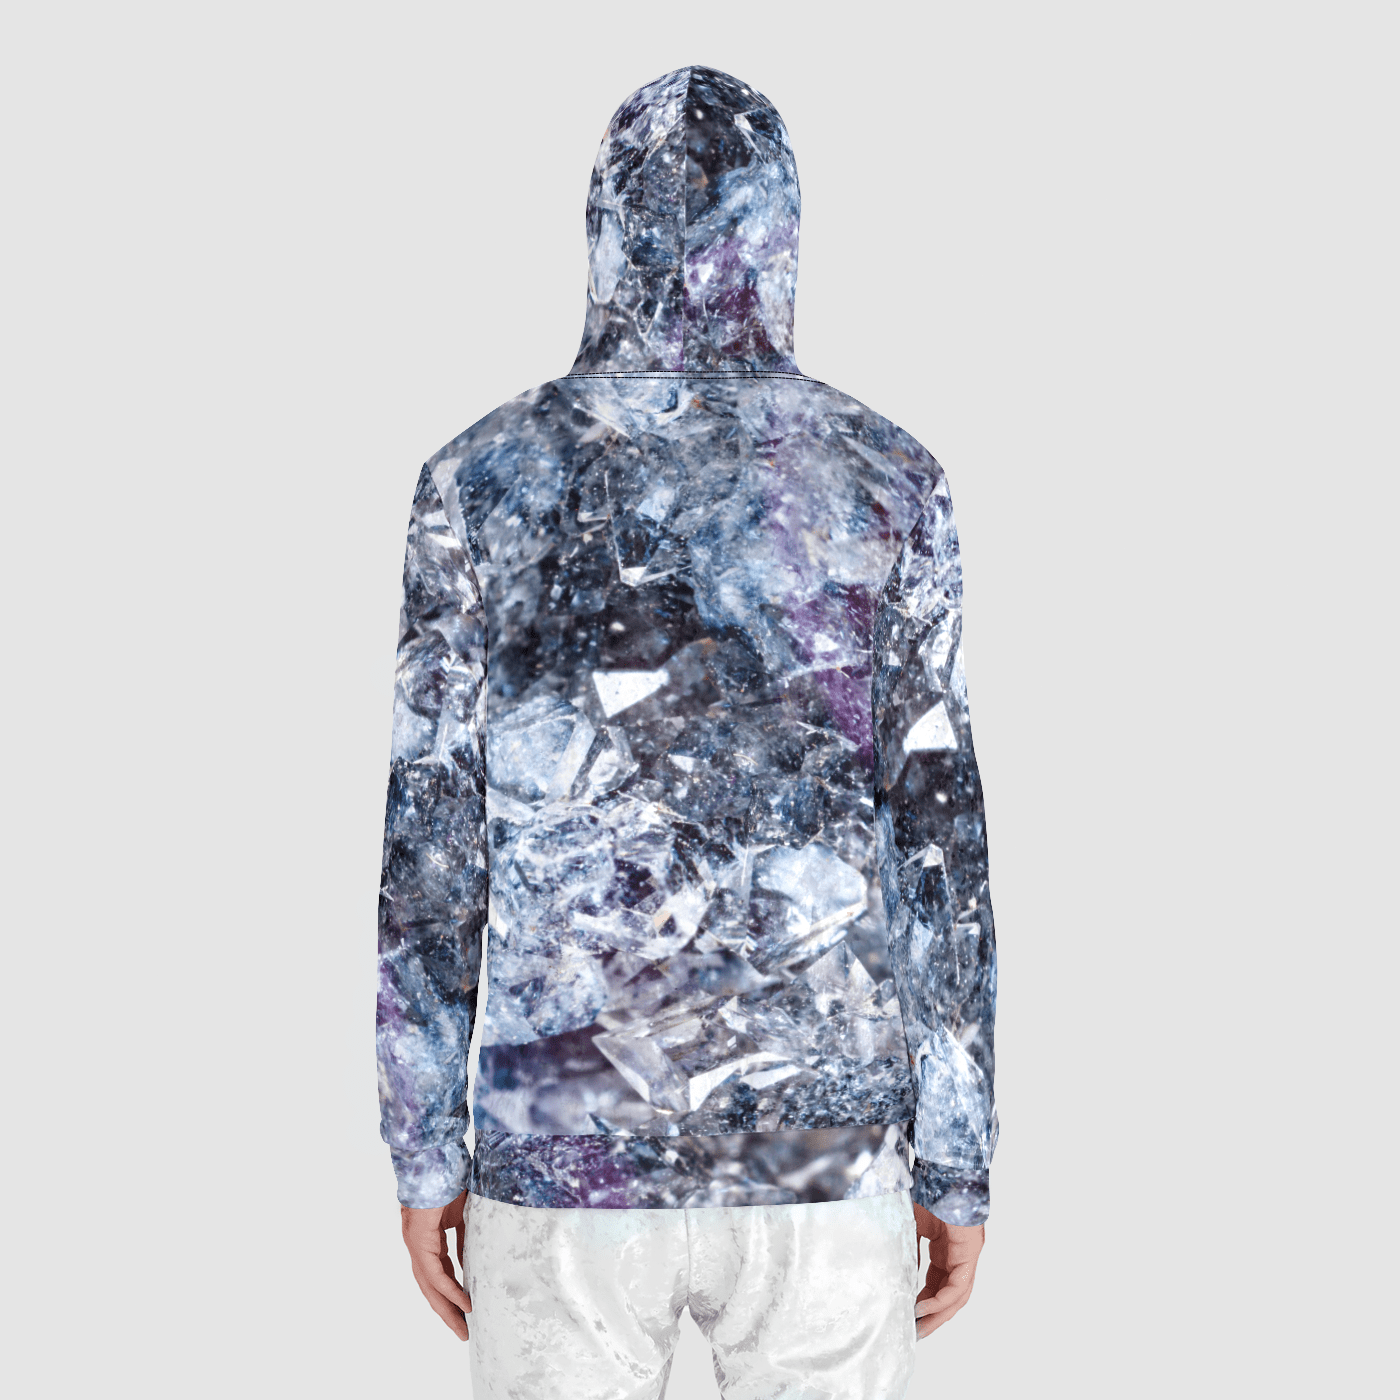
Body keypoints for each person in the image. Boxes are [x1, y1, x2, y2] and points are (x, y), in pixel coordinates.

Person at [378, 64, 998, 1399]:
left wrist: (424, 1151)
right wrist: (957, 1158)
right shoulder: (890, 481)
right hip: (823, 1153)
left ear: (603, 231)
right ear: (780, 237)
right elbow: (938, 852)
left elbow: (430, 850)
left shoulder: (479, 479)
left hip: (564, 1143)